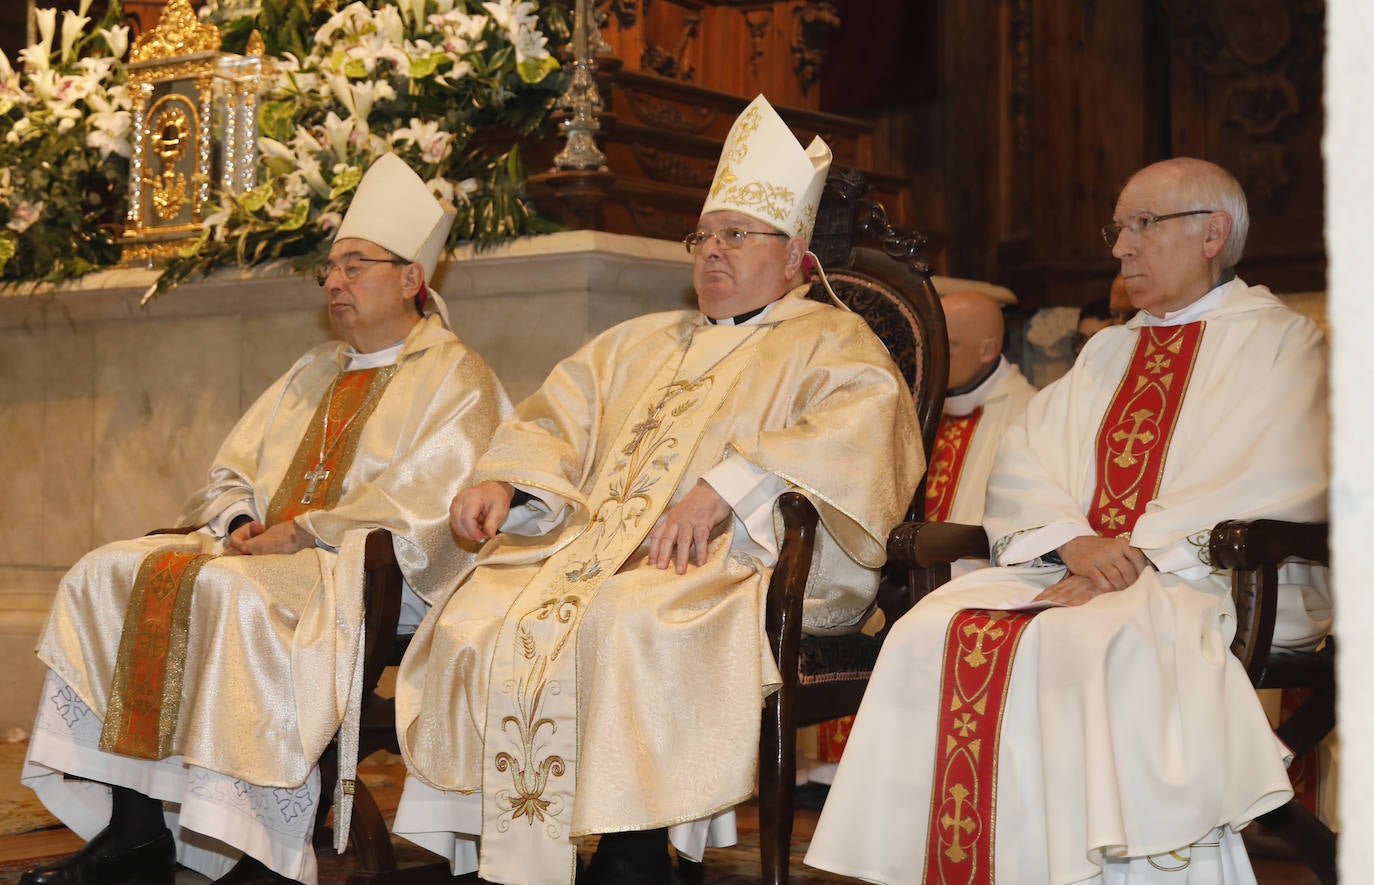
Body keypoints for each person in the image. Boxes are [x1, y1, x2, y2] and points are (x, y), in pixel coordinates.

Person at [390, 94, 923, 885]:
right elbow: (556, 415)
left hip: (741, 553)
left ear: (795, 257)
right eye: (703, 236)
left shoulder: (834, 338)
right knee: (474, 611)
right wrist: (505, 474)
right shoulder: (640, 339)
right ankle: (488, 841)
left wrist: (726, 488)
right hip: (597, 546)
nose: (711, 252)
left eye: (736, 235)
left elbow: (862, 433)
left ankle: (635, 843)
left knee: (631, 615)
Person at [806, 157, 1329, 884]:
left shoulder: (1281, 342)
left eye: (1144, 225)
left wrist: (1145, 552)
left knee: (1094, 641)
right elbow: (1027, 458)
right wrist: (1075, 541)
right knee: (927, 628)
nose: (1121, 247)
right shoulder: (1108, 350)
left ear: (1214, 233)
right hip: (1083, 565)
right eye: (1119, 228)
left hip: (1210, 577)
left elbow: (1284, 470)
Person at [20, 153, 511, 885]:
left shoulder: (454, 374)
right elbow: (234, 467)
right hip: (265, 557)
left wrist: (308, 530)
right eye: (331, 269)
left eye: (355, 265)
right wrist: (242, 517)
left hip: (361, 573)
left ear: (412, 278)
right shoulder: (316, 367)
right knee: (107, 571)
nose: (335, 282)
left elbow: (426, 504)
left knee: (228, 596)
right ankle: (135, 831)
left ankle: (260, 845)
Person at [806, 288, 1037, 785]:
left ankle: (903, 775)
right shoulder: (905, 405)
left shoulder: (1028, 415)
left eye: (948, 346)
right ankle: (841, 766)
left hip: (970, 576)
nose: (931, 360)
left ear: (988, 349)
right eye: (928, 347)